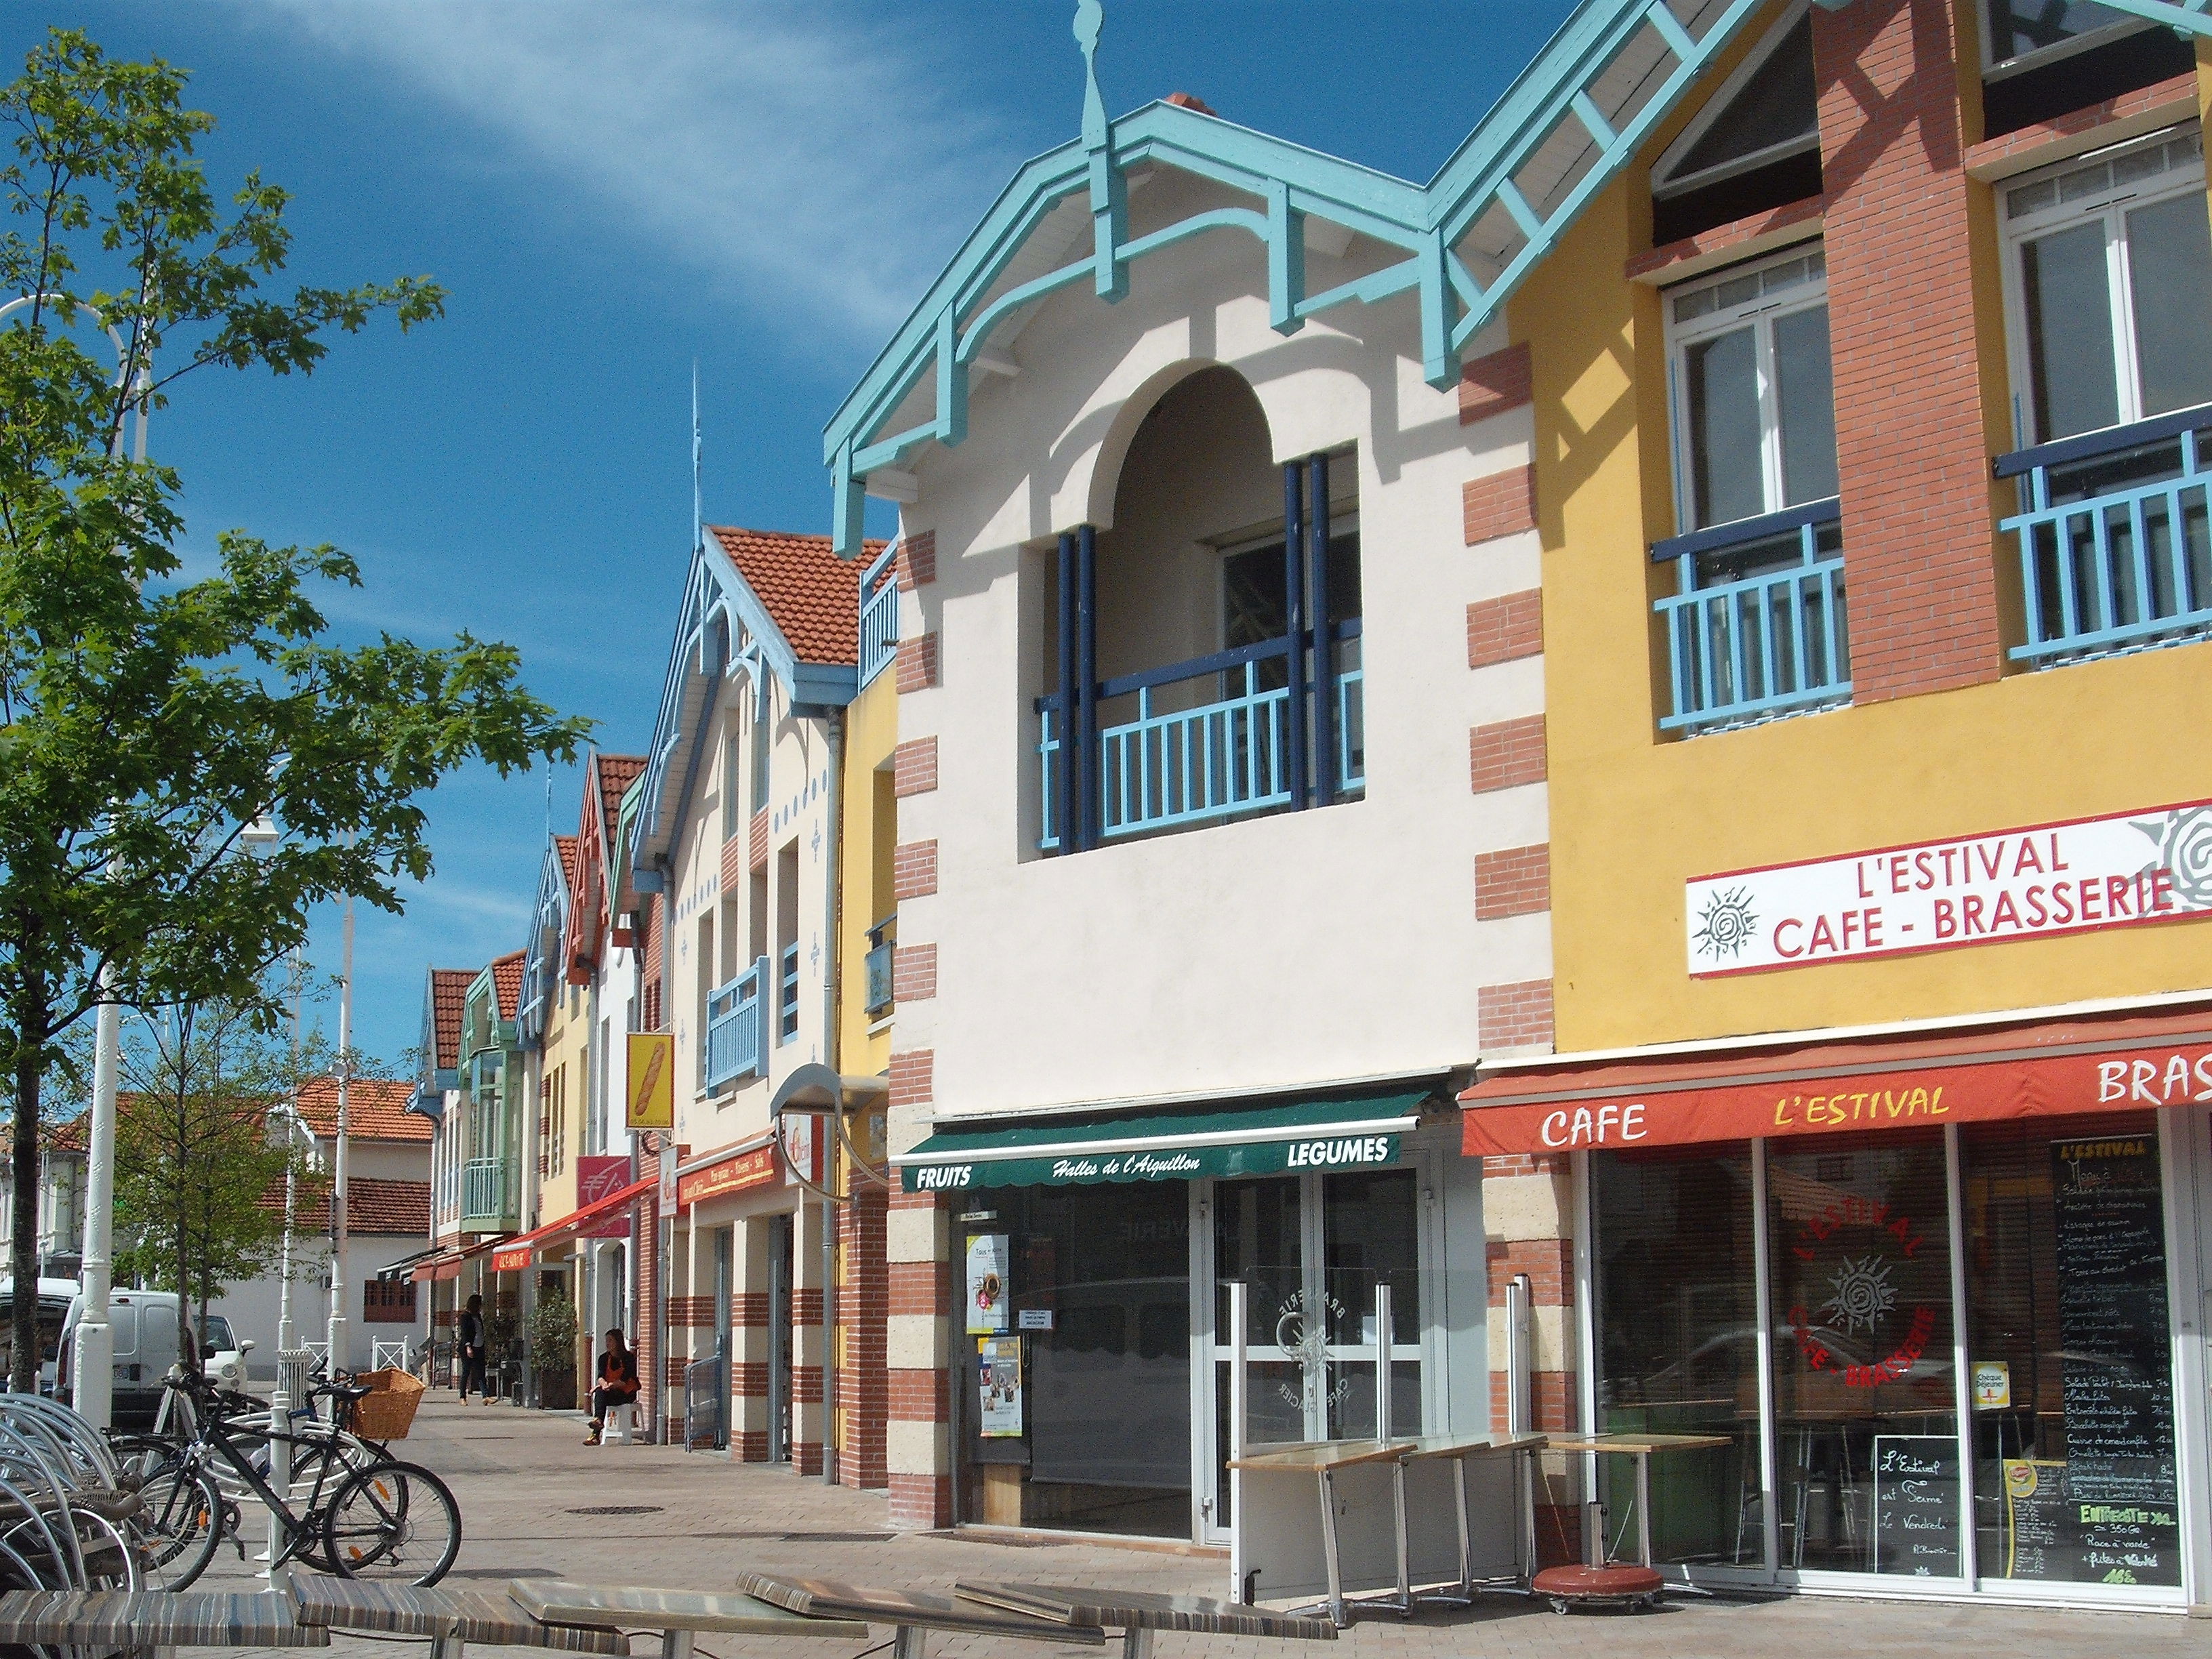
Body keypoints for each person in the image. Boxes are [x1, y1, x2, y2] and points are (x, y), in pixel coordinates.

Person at [586, 1328, 639, 1445]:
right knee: (600, 1393)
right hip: (610, 1391)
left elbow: (624, 1380)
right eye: (607, 1341)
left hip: (626, 1393)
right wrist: (603, 1384)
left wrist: (609, 1385)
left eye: (610, 1340)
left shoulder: (628, 1358)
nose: (607, 1343)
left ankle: (595, 1434)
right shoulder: (603, 1358)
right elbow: (600, 1376)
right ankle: (598, 1422)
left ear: (618, 1342)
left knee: (601, 1393)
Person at [457, 1294, 487, 1402]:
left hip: (479, 1346)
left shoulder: (477, 1316)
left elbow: (480, 1331)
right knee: (466, 1371)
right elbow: (465, 1333)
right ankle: (462, 1397)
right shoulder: (465, 1316)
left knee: (481, 1372)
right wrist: (468, 1347)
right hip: (468, 1348)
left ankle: (485, 1396)